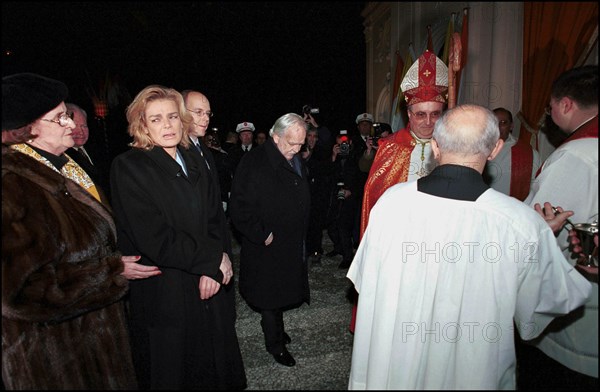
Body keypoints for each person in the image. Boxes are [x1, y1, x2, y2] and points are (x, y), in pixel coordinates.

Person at [346, 104, 593, 390]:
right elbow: (554, 300)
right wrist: (540, 238)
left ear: (436, 146)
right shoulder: (519, 223)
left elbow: (366, 281)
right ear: (495, 149)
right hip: (471, 373)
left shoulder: (390, 203)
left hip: (394, 367)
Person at [1, 72, 140, 389]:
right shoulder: (11, 183)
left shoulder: (59, 168)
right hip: (54, 357)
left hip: (91, 344)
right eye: (59, 117)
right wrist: (109, 274)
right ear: (27, 130)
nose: (71, 124)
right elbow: (18, 292)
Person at [109, 85, 246, 389]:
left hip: (206, 284)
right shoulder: (129, 167)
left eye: (172, 116)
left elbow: (214, 218)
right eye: (156, 119)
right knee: (176, 370)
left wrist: (215, 262)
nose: (167, 125)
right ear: (141, 124)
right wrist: (210, 260)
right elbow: (154, 238)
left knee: (214, 367)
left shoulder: (194, 158)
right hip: (167, 290)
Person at [349, 50, 449, 333]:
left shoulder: (455, 148)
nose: (428, 122)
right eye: (420, 114)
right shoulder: (390, 147)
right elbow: (374, 201)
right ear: (408, 113)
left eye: (435, 114)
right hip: (398, 244)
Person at [522, 64, 598, 384]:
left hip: (581, 314)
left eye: (550, 106)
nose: (548, 113)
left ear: (566, 104)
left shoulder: (577, 155)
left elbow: (534, 221)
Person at [229, 113, 310, 367]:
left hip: (289, 240)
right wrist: (261, 233)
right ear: (276, 137)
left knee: (282, 289)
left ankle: (278, 328)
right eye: (292, 144)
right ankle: (274, 344)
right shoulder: (254, 162)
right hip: (268, 243)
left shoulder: (290, 155)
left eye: (301, 144)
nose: (297, 150)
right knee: (270, 293)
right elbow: (239, 207)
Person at [483, 107, 541, 200]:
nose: (498, 126)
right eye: (494, 122)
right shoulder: (478, 147)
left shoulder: (528, 153)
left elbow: (535, 186)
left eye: (503, 123)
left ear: (511, 126)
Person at [325, 131, 361, 269]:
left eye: (344, 144)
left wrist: (351, 190)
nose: (342, 147)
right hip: (335, 195)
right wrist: (334, 156)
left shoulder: (357, 156)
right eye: (339, 145)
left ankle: (348, 256)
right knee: (331, 224)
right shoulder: (335, 157)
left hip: (351, 197)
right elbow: (328, 174)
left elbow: (362, 178)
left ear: (350, 143)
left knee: (343, 227)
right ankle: (338, 247)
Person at [64, 102, 111, 202]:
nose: (81, 132)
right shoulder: (63, 157)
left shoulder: (99, 149)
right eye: (75, 126)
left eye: (84, 126)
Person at [302, 127, 333, 265]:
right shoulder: (298, 150)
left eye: (315, 136)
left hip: (318, 196)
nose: (312, 138)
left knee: (316, 225)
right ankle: (304, 251)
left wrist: (310, 160)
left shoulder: (322, 152)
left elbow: (324, 170)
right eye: (310, 135)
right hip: (302, 197)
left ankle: (316, 252)